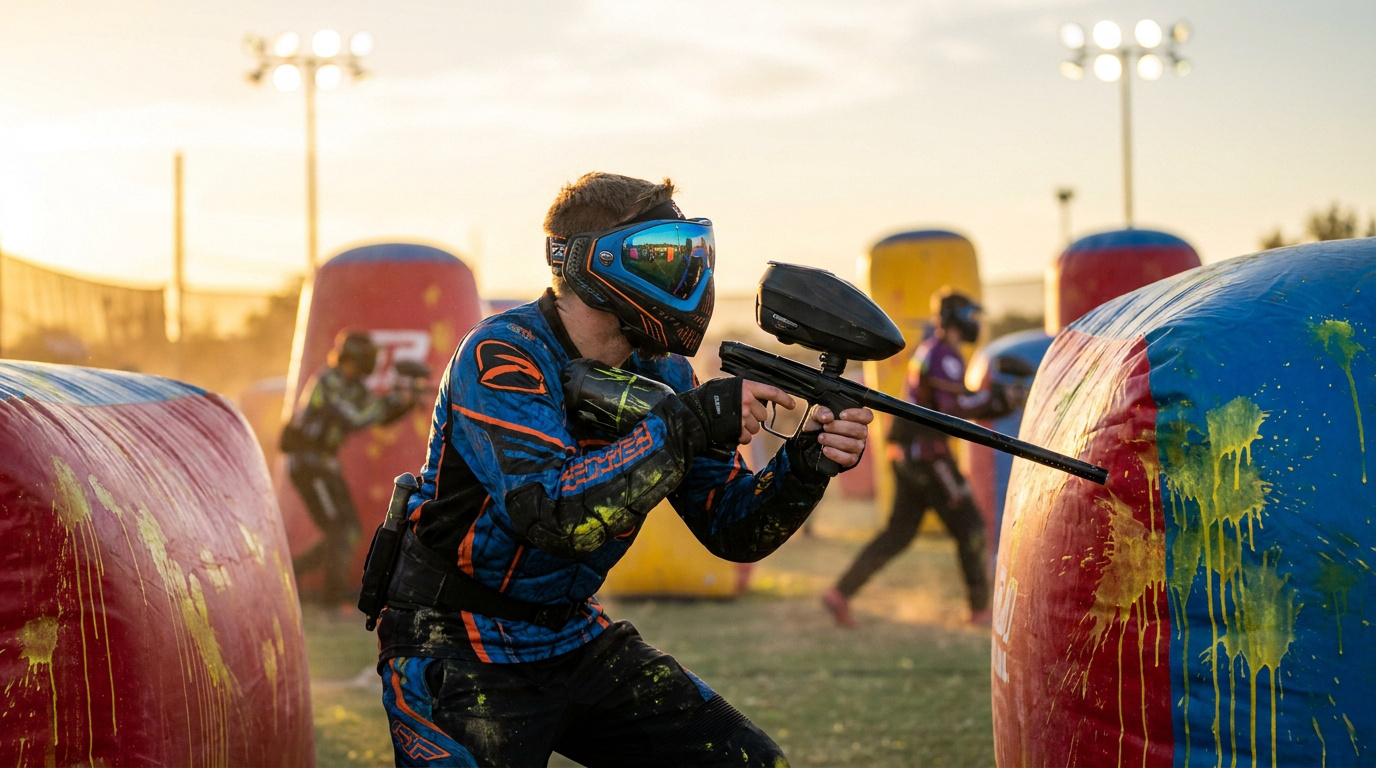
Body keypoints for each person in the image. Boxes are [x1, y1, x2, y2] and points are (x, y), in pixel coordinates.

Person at [372, 172, 873, 767]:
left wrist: (805, 463)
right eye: (662, 258)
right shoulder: (501, 355)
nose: (688, 278)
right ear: (596, 263)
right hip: (455, 640)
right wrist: (689, 423)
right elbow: (553, 514)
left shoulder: (666, 373)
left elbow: (733, 527)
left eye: (689, 257)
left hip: (572, 635)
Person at [821, 288, 1024, 628]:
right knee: (971, 526)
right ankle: (979, 610)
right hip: (928, 458)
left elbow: (954, 403)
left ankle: (840, 593)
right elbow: (952, 408)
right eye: (971, 316)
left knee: (899, 533)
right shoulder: (943, 355)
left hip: (910, 455)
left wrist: (995, 400)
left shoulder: (935, 351)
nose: (975, 323)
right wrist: (998, 399)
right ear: (956, 319)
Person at [283, 330, 424, 605]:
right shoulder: (329, 381)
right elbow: (356, 417)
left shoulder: (354, 387)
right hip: (308, 464)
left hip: (324, 465)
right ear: (354, 358)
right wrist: (395, 399)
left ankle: (292, 573)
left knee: (348, 531)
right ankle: (329, 600)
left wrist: (404, 402)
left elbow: (378, 416)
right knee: (339, 530)